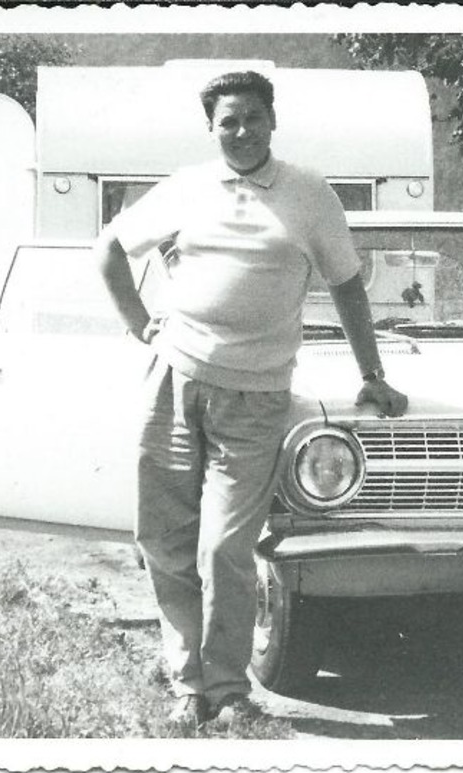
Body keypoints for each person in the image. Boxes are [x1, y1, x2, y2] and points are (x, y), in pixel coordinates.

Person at [94, 69, 408, 732]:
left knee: (224, 548)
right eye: (227, 121)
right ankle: (189, 685)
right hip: (175, 381)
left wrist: (371, 371)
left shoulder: (308, 194)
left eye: (252, 119)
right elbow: (110, 251)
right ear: (211, 128)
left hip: (259, 394)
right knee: (165, 538)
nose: (240, 132)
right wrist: (139, 324)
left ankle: (230, 688)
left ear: (273, 122)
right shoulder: (185, 187)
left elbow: (348, 286)